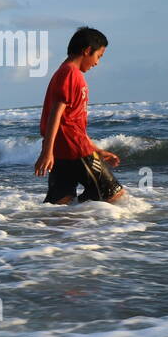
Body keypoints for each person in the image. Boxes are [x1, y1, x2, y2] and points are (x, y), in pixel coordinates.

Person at [35, 27, 125, 205]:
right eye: (98, 56)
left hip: (63, 151)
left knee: (60, 204)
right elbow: (56, 113)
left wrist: (97, 150)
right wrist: (47, 152)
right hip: (75, 149)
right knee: (114, 194)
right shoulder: (70, 73)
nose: (97, 63)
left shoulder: (65, 72)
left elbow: (72, 121)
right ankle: (89, 220)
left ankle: (52, 230)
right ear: (87, 51)